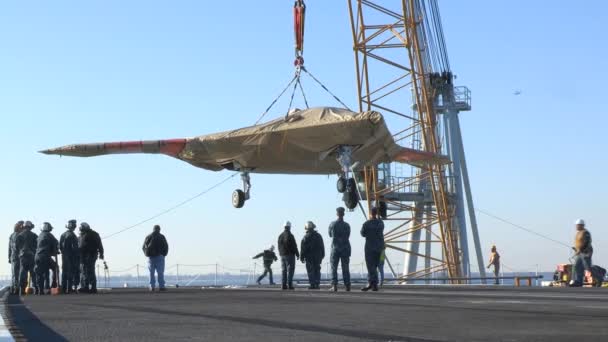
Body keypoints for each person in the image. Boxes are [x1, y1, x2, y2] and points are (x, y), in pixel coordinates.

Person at [360, 207, 384, 292]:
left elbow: (362, 233)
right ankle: (372, 284)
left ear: (370, 213)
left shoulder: (366, 224)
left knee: (371, 266)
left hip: (370, 247)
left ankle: (372, 284)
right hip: (379, 247)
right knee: (376, 266)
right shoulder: (381, 223)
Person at [328, 207, 351, 292]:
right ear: (343, 214)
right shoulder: (347, 225)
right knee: (345, 267)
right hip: (345, 248)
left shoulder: (332, 224)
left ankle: (334, 285)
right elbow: (348, 235)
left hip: (335, 248)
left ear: (337, 214)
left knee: (334, 267)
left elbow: (330, 234)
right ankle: (347, 285)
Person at [78, 222, 104, 293]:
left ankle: (93, 287)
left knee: (90, 270)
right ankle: (84, 287)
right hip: (82, 256)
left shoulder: (94, 234)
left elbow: (99, 244)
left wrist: (101, 253)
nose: (81, 231)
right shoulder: (80, 235)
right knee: (83, 271)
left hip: (91, 254)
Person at [142, 225, 169, 292]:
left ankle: (152, 287)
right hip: (160, 256)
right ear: (159, 229)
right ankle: (161, 286)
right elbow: (166, 246)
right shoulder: (162, 236)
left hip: (150, 257)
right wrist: (164, 254)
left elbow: (143, 247)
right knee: (160, 272)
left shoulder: (148, 236)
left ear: (153, 229)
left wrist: (146, 254)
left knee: (151, 272)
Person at [34, 222, 59, 295]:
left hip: (37, 256)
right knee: (55, 268)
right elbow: (55, 244)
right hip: (45, 256)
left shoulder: (39, 236)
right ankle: (53, 285)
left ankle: (40, 290)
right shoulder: (49, 235)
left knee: (40, 273)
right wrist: (55, 251)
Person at [300, 221, 325, 290]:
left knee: (310, 271)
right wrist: (322, 255)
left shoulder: (305, 237)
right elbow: (322, 246)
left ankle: (312, 284)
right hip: (317, 257)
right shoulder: (318, 236)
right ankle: (317, 284)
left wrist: (301, 257)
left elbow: (303, 249)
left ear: (306, 228)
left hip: (309, 257)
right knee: (317, 270)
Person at [16, 221, 38, 295]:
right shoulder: (34, 235)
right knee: (33, 273)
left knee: (23, 273)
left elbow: (16, 247)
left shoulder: (19, 235)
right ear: (30, 227)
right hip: (31, 256)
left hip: (23, 257)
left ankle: (22, 290)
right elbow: (37, 246)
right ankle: (37, 289)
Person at [570, 219, 593, 287]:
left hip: (586, 253)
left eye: (577, 225)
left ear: (582, 225)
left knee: (588, 268)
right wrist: (576, 249)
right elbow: (579, 243)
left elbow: (586, 242)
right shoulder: (578, 233)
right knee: (576, 266)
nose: (576, 227)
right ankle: (578, 281)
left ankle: (599, 276)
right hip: (579, 253)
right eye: (576, 225)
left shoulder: (586, 233)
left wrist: (580, 249)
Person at [277, 221, 299, 290]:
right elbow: (294, 246)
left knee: (283, 270)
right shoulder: (290, 235)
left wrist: (281, 253)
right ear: (289, 227)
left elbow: (279, 246)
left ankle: (283, 285)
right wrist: (297, 254)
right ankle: (289, 284)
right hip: (290, 255)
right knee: (290, 270)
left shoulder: (280, 235)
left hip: (282, 255)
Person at [60, 219, 80, 293]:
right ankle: (69, 288)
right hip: (71, 256)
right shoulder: (72, 235)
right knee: (71, 272)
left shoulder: (63, 234)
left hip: (64, 256)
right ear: (74, 226)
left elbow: (60, 247)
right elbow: (75, 248)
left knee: (64, 272)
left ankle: (64, 288)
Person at [9, 221, 24, 294]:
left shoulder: (12, 235)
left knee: (14, 274)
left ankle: (14, 288)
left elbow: (9, 248)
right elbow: (16, 247)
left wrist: (9, 257)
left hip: (13, 257)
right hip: (18, 257)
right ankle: (16, 289)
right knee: (17, 274)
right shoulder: (19, 236)